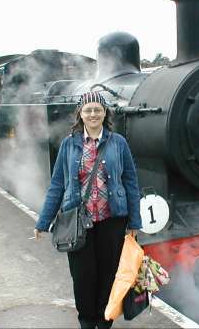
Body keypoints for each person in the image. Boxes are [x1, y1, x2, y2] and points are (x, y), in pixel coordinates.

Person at [34, 91, 142, 329]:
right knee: (82, 277)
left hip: (112, 220)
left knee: (108, 273)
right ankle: (86, 321)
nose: (93, 113)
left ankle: (104, 321)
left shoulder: (118, 143)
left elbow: (131, 182)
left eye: (97, 109)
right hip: (78, 222)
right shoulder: (69, 144)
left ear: (105, 113)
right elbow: (58, 185)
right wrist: (43, 221)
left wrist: (135, 220)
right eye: (88, 109)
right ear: (80, 114)